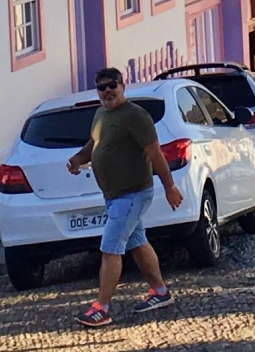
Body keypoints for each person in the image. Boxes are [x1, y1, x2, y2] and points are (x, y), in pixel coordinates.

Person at [66, 68, 183, 328]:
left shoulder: (136, 116)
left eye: (112, 85)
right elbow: (94, 143)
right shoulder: (101, 114)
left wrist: (170, 187)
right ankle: (160, 292)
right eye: (102, 87)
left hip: (133, 193)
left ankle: (102, 308)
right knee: (137, 242)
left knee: (110, 248)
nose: (107, 91)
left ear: (122, 86)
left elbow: (155, 154)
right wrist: (77, 159)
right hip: (114, 195)